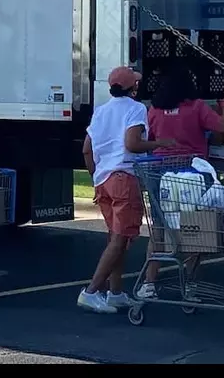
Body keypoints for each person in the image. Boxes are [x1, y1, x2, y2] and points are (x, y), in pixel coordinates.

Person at [78, 66, 174, 313]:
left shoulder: (101, 111)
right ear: (132, 87)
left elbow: (87, 150)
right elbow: (132, 143)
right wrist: (159, 143)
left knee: (115, 238)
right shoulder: (136, 109)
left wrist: (95, 175)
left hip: (103, 178)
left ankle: (115, 292)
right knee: (121, 239)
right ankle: (91, 291)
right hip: (124, 177)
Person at [135, 66, 224, 299]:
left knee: (158, 229)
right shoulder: (197, 107)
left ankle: (149, 284)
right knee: (195, 228)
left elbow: (148, 139)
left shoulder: (155, 110)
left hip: (160, 174)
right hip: (191, 175)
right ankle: (190, 284)